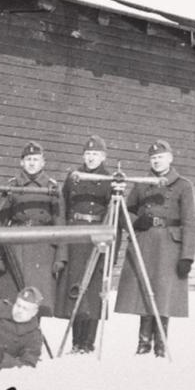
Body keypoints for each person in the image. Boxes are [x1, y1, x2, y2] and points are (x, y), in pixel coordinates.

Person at [115, 139, 195, 357]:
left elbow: (190, 223)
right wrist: (135, 221)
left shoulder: (183, 185)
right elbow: (124, 211)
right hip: (145, 242)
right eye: (153, 158)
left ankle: (161, 344)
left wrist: (187, 256)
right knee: (144, 290)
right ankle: (143, 343)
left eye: (160, 157)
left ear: (170, 158)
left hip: (170, 246)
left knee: (164, 294)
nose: (157, 161)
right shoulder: (142, 183)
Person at [54, 135, 114, 353]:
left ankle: (88, 343)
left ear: (103, 157)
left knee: (93, 291)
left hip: (97, 236)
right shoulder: (74, 177)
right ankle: (75, 342)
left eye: (95, 154)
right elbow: (64, 205)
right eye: (88, 154)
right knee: (76, 287)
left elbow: (114, 214)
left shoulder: (110, 179)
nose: (91, 158)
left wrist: (109, 247)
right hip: (76, 236)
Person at [0, 141, 66, 317]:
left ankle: (32, 336)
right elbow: (0, 223)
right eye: (28, 159)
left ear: (43, 162)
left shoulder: (52, 187)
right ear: (21, 162)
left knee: (37, 300)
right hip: (15, 248)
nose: (32, 163)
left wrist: (60, 256)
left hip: (42, 250)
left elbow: (60, 223)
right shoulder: (12, 186)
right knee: (12, 300)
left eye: (36, 159)